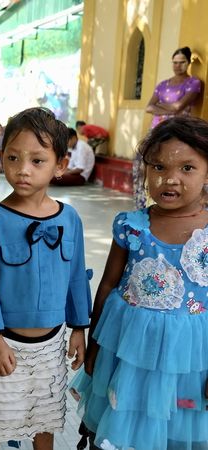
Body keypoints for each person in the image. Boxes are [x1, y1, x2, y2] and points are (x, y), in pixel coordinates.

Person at [70, 115, 208, 449]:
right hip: (129, 356)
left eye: (187, 168)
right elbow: (106, 287)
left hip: (190, 362)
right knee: (125, 427)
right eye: (158, 167)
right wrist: (95, 345)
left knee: (179, 426)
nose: (170, 179)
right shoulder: (131, 226)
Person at [0, 107, 92, 450]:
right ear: (1, 157)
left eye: (37, 161)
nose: (22, 170)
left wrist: (79, 328)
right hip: (6, 344)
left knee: (46, 416)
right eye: (13, 157)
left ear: (60, 164)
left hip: (53, 344)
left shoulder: (69, 218)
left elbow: (76, 277)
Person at [134, 46, 202, 209]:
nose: (177, 66)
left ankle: (175, 204)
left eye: (182, 62)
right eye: (175, 62)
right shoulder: (163, 84)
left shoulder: (193, 83)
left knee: (173, 169)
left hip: (180, 133)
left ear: (188, 63)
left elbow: (178, 107)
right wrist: (169, 108)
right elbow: (149, 107)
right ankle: (142, 204)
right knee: (143, 163)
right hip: (157, 131)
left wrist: (163, 107)